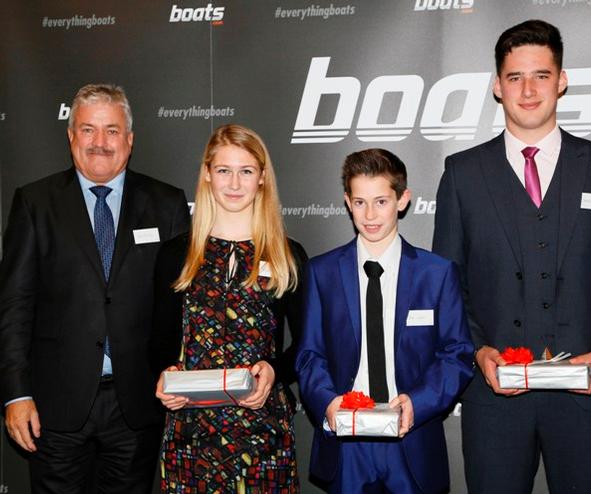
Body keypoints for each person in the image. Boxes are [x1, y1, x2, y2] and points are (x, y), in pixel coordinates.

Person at [433, 19, 591, 494]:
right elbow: (447, 288)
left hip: (587, 404)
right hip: (495, 405)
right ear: (497, 86)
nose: (528, 90)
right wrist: (477, 351)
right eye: (515, 77)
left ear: (562, 80)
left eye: (540, 75)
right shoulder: (462, 174)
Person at [0, 83, 190, 493]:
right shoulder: (35, 203)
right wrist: (16, 395)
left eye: (112, 130)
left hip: (138, 405)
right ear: (71, 138)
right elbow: (14, 306)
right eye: (87, 130)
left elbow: (182, 307)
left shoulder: (167, 203)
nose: (99, 143)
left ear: (130, 139)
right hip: (54, 407)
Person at [296, 148, 474, 494]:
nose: (370, 215)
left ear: (402, 199)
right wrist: (328, 401)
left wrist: (417, 403)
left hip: (412, 437)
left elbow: (456, 353)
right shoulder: (322, 272)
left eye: (381, 201)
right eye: (360, 202)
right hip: (348, 441)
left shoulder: (436, 273)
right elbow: (308, 355)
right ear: (347, 202)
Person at [153, 124, 306, 493]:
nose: (235, 184)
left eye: (246, 171)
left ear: (262, 178)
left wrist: (274, 371)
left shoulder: (288, 255)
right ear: (207, 175)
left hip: (263, 431)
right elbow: (157, 343)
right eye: (224, 170)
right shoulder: (178, 254)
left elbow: (307, 347)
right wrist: (163, 377)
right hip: (191, 432)